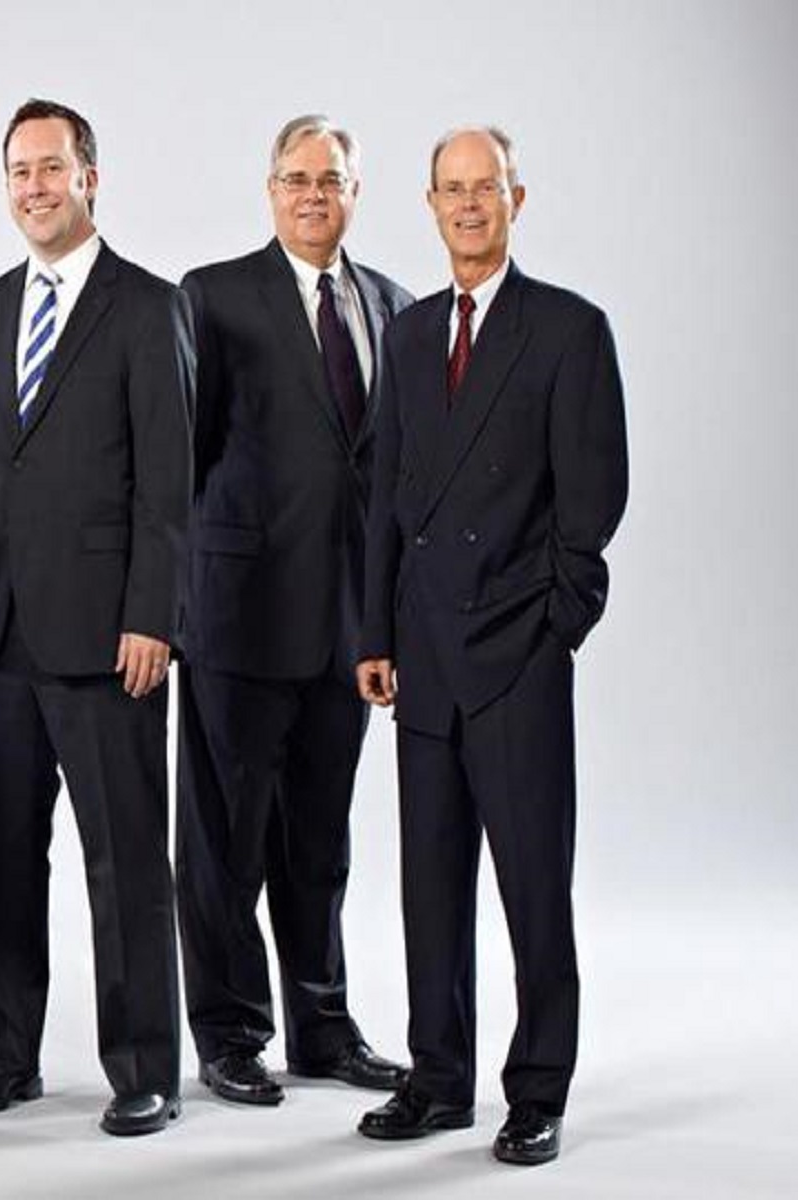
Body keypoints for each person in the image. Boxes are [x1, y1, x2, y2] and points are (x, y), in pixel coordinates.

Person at [355, 126, 627, 1168]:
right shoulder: (414, 335)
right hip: (419, 657)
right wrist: (374, 632)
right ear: (429, 205)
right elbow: (384, 494)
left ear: (517, 197)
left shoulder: (567, 330)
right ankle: (437, 1080)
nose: (468, 206)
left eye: (486, 189)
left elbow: (592, 504)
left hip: (515, 655)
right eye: (451, 190)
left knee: (530, 888)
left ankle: (538, 1089)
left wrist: (551, 626)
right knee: (430, 885)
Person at [0, 98, 193, 1137]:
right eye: (18, 172)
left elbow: (169, 485)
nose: (34, 187)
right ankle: (8, 1056)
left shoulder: (147, 306)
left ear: (91, 178)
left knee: (125, 858)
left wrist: (154, 616)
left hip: (107, 635)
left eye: (51, 169)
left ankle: (144, 1068)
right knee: (2, 854)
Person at [173, 115, 412, 1108]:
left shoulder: (395, 306)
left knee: (320, 839)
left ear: (358, 190)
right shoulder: (215, 296)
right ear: (270, 191)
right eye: (296, 177)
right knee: (224, 838)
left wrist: (389, 624)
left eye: (332, 178)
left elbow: (394, 480)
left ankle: (323, 1025)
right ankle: (231, 1034)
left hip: (346, 626)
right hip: (236, 613)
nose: (314, 193)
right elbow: (180, 457)